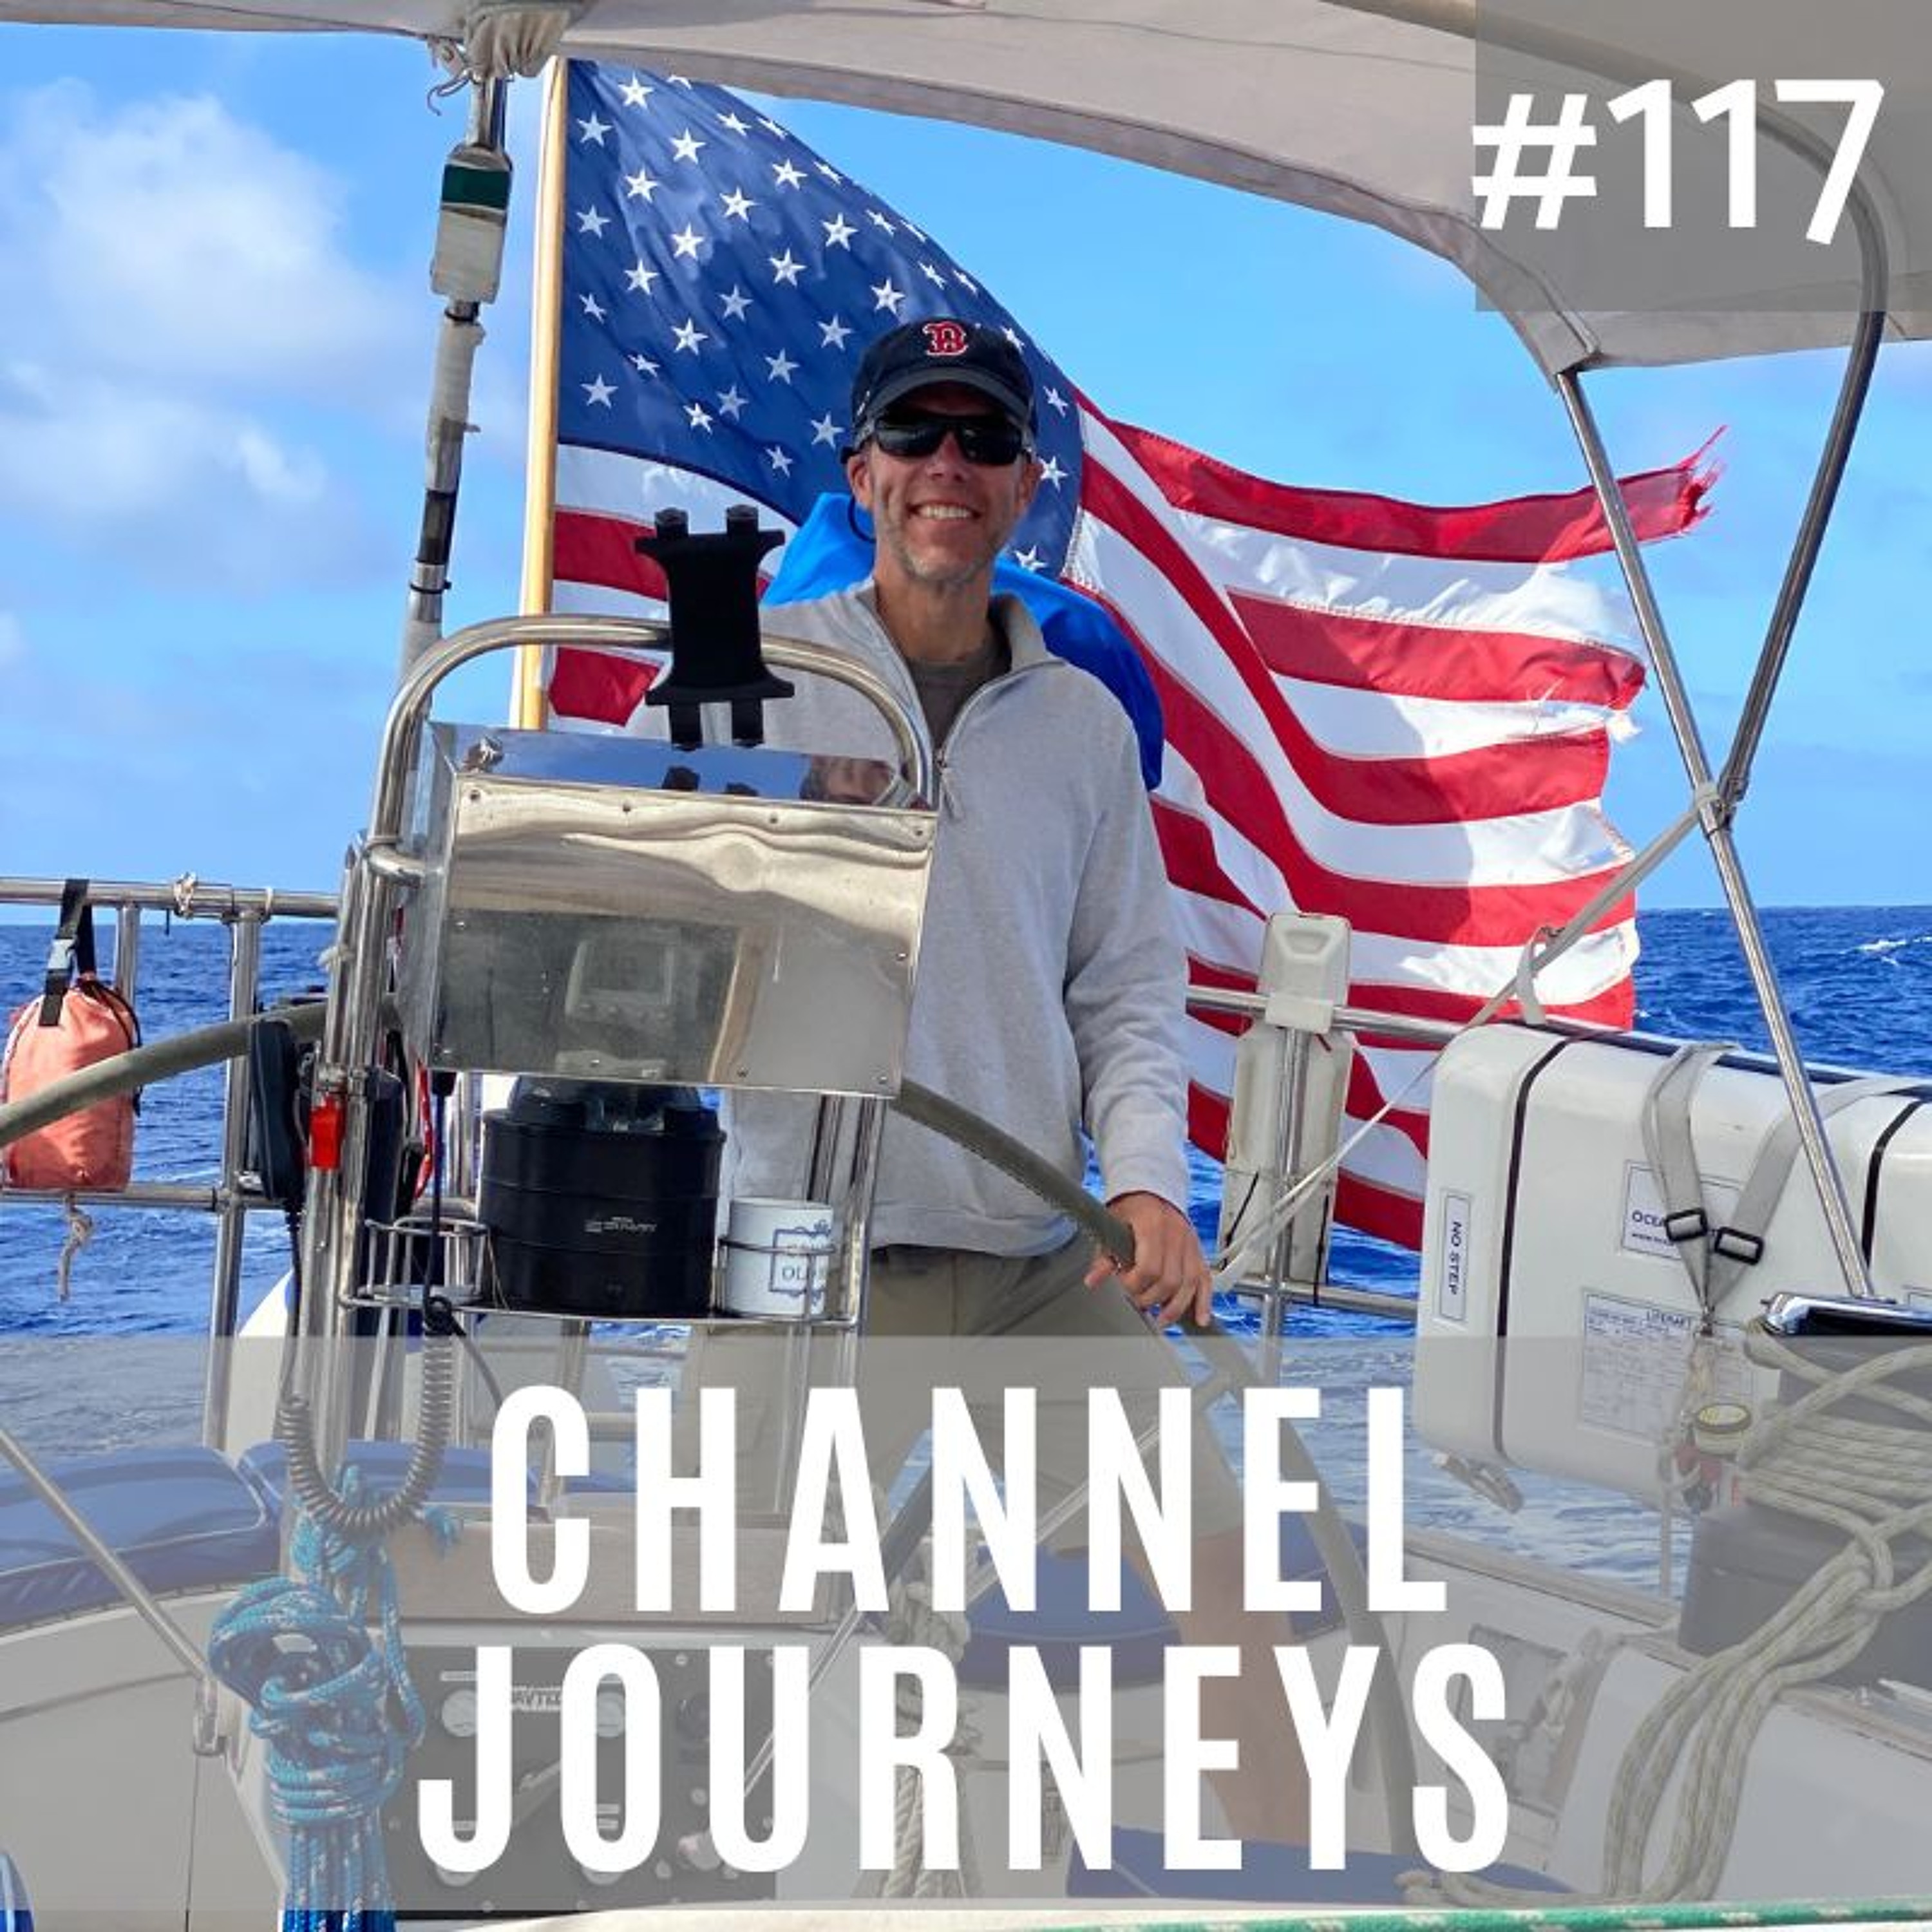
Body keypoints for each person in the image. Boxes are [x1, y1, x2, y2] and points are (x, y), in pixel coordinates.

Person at [710, 316, 1309, 1849]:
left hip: (1039, 1252)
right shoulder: (752, 680)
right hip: (808, 1250)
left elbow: (1128, 990)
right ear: (862, 473)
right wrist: (770, 808)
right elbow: (658, 930)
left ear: (1028, 484)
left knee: (1224, 1572)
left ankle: (1299, 1881)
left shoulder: (1085, 728)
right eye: (916, 436)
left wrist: (1146, 1186)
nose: (949, 466)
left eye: (984, 440)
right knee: (734, 1624)